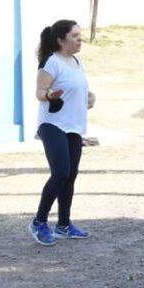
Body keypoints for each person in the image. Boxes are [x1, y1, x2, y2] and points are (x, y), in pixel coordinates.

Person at [29, 20, 95, 246]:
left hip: (73, 126)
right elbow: (39, 92)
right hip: (52, 124)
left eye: (80, 34)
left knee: (70, 175)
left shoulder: (76, 61)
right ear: (60, 40)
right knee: (60, 172)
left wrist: (90, 97)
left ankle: (64, 225)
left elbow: (78, 87)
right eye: (75, 35)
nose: (80, 38)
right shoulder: (51, 62)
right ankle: (39, 222)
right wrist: (49, 96)